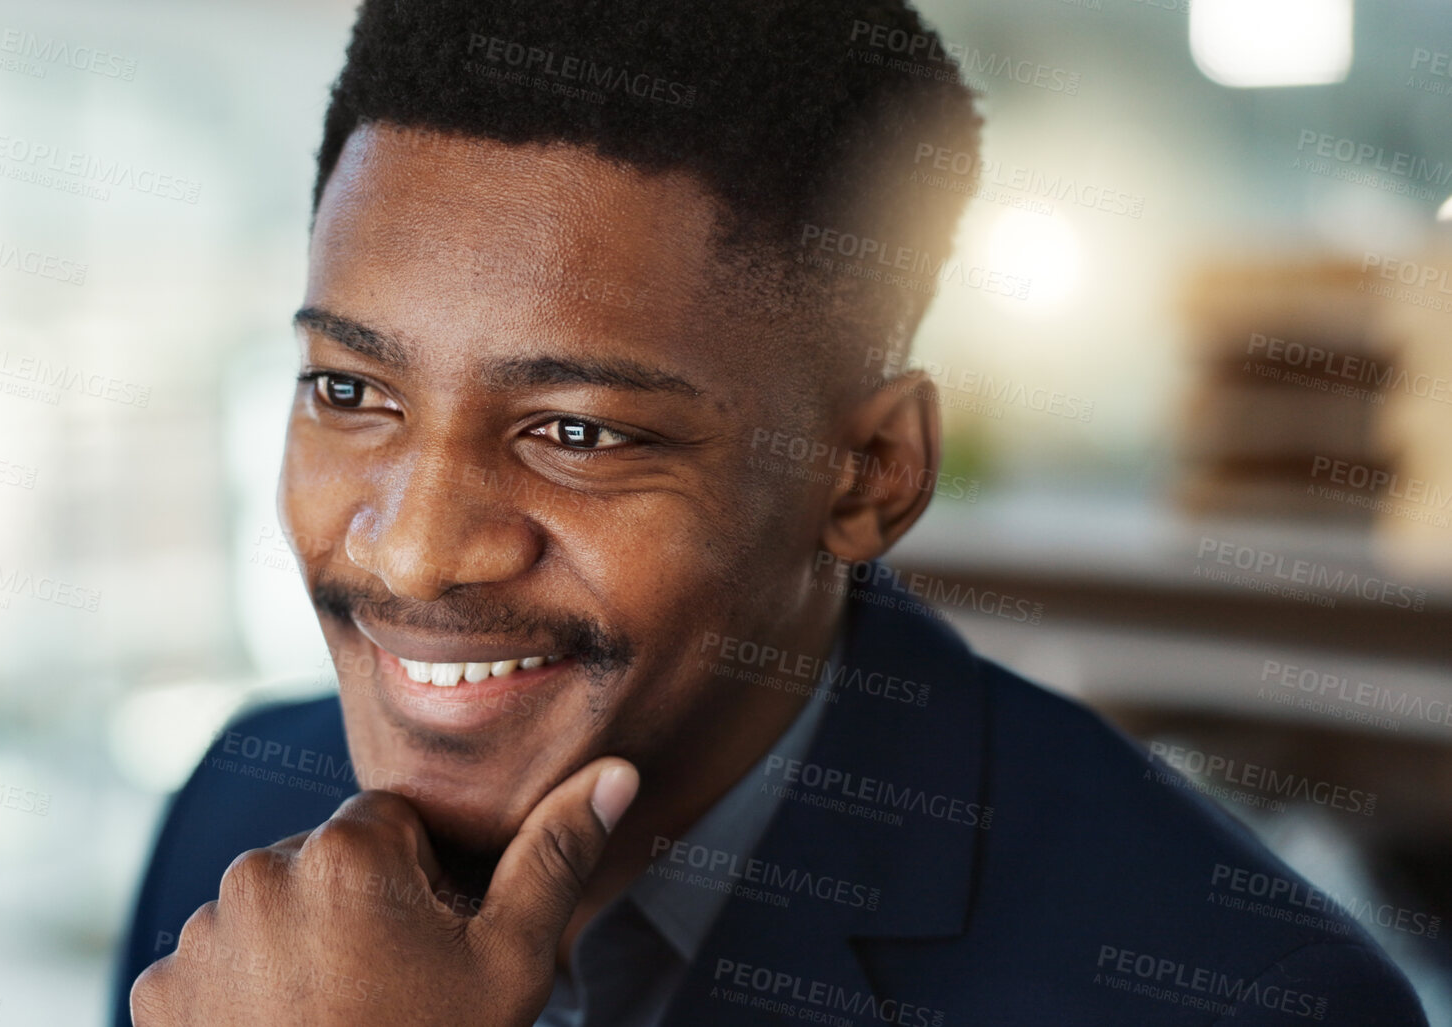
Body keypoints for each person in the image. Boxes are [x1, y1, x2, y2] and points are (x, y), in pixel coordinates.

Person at [114, 0, 1428, 1022]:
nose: (413, 545)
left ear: (870, 476)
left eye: (576, 432)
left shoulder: (1231, 999)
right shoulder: (236, 824)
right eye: (350, 389)